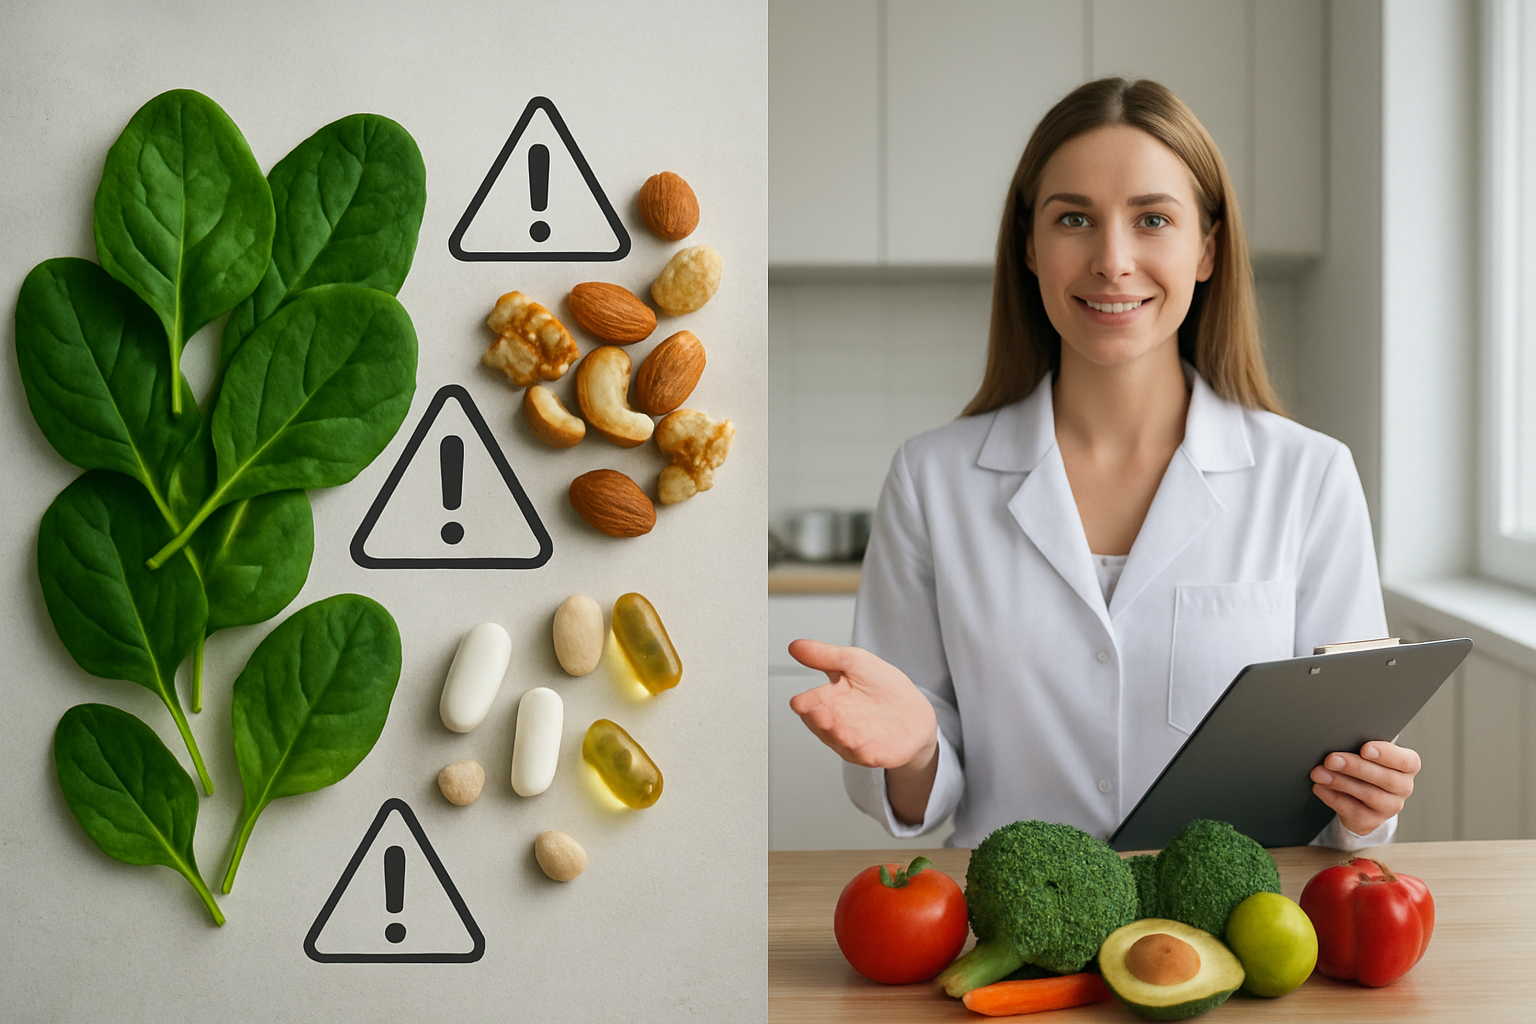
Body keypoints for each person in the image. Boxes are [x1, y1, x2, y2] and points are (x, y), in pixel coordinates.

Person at [787, 78, 1420, 852]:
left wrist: (1370, 798)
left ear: (1207, 249)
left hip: (1232, 943)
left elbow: (1350, 774)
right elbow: (917, 780)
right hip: (1011, 936)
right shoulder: (931, 480)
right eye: (1074, 219)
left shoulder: (1309, 477)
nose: (1113, 260)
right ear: (1029, 246)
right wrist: (917, 747)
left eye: (1153, 219)